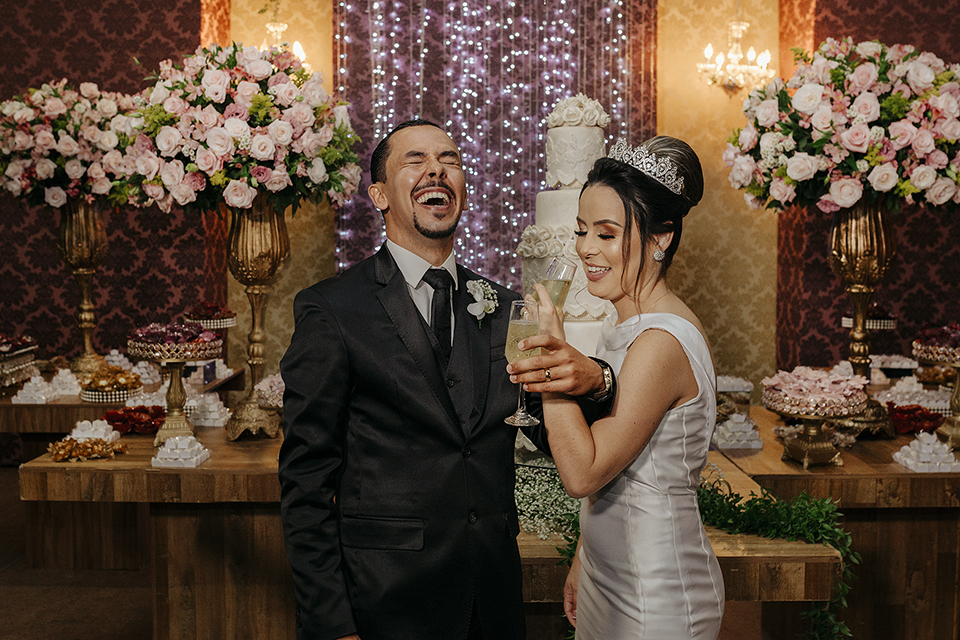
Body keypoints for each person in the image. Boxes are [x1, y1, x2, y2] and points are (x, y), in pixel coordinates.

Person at [278, 119, 614, 640]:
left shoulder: (508, 308)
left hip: (492, 600)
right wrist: (331, 623)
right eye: (415, 160)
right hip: (384, 600)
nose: (436, 169)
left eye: (449, 160)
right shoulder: (332, 310)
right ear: (379, 195)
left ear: (461, 189)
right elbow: (306, 480)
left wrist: (597, 380)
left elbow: (553, 432)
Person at [508, 135, 725, 639]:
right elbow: (617, 464)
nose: (586, 248)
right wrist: (585, 556)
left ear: (660, 238)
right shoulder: (621, 326)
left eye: (606, 234)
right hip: (607, 575)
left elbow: (583, 473)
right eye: (581, 230)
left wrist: (550, 362)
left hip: (655, 592)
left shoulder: (659, 342)